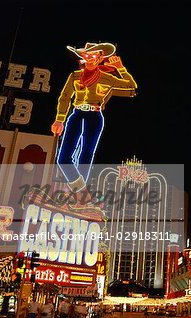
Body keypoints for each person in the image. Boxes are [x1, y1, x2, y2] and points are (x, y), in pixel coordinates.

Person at [51, 42, 137, 204]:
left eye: (94, 55)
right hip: (76, 114)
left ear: (100, 59)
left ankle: (78, 197)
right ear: (83, 57)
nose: (90, 58)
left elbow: (131, 86)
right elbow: (65, 97)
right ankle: (81, 192)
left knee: (86, 155)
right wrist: (59, 119)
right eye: (87, 55)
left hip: (95, 116)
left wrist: (120, 68)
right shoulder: (75, 76)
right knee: (63, 158)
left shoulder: (107, 78)